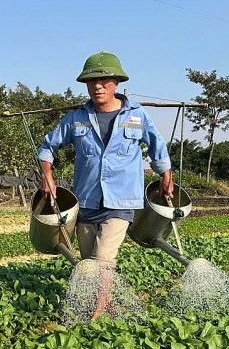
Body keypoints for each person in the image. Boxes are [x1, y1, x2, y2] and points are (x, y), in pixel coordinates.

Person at [37, 51, 173, 319]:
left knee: (102, 262)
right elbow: (46, 148)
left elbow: (158, 146)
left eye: (104, 81)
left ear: (116, 83)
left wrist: (165, 174)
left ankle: (94, 316)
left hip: (122, 202)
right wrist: (47, 175)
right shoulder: (76, 118)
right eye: (92, 82)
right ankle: (106, 307)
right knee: (88, 264)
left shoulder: (137, 115)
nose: (98, 86)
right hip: (86, 201)